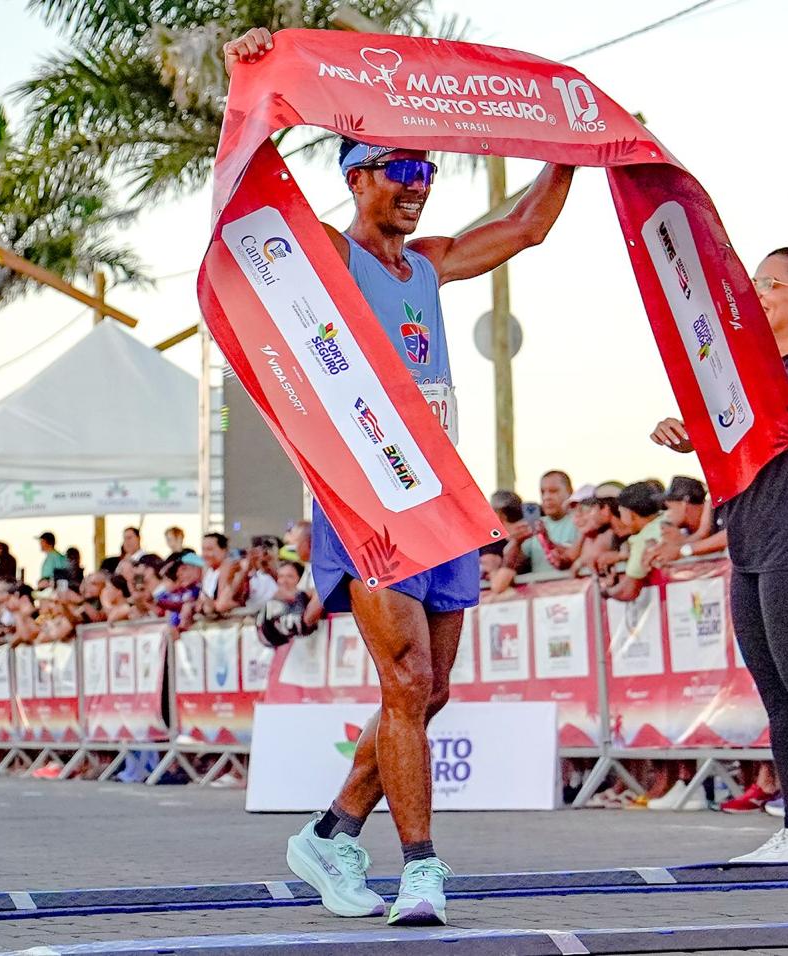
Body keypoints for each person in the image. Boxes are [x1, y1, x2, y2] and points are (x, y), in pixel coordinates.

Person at [224, 25, 575, 926]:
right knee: (407, 682)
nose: (417, 187)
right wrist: (255, 75)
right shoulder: (328, 259)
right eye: (398, 171)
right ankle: (422, 868)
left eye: (425, 172)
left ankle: (331, 832)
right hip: (369, 496)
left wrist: (576, 148)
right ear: (357, 176)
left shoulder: (428, 262)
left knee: (433, 689)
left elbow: (528, 226)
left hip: (444, 501)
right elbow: (247, 209)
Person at [652, 247, 788, 863]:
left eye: (772, 282)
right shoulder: (741, 371)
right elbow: (729, 432)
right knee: (776, 693)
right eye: (754, 281)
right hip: (751, 543)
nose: (758, 290)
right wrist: (687, 433)